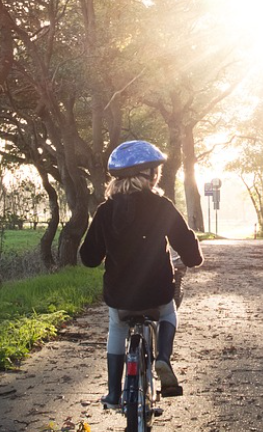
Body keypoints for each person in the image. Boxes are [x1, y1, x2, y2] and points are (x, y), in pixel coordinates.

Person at [80, 140, 203, 407]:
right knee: (169, 313)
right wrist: (192, 257)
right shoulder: (162, 207)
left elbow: (88, 258)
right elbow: (190, 252)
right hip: (157, 293)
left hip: (120, 296)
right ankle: (163, 359)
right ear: (148, 175)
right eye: (155, 171)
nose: (157, 176)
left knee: (117, 325)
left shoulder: (105, 211)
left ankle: (113, 393)